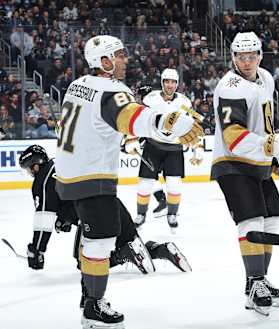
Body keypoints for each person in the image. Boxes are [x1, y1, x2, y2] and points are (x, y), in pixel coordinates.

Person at [54, 35, 203, 329]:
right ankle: (93, 307)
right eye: (119, 55)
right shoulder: (112, 89)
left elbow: (99, 122)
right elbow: (130, 117)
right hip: (91, 176)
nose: (125, 59)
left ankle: (89, 298)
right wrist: (165, 122)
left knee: (95, 236)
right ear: (104, 62)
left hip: (68, 173)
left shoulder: (77, 84)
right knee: (101, 241)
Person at [211, 31, 279, 316]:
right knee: (251, 220)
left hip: (258, 160)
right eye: (241, 56)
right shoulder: (230, 87)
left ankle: (258, 280)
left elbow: (265, 123)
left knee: (272, 219)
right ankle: (256, 283)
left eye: (252, 55)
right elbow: (233, 135)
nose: (247, 61)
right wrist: (270, 146)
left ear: (260, 55)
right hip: (232, 162)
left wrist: (273, 156)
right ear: (233, 57)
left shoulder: (266, 78)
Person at [20, 144, 192, 276]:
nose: (30, 173)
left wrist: (37, 250)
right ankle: (162, 250)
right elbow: (70, 196)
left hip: (91, 214)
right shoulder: (65, 163)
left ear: (35, 165)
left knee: (85, 263)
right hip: (113, 203)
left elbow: (43, 220)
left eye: (29, 168)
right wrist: (65, 218)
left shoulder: (42, 180)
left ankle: (124, 254)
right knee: (131, 242)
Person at [131, 68, 204, 232]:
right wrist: (132, 138)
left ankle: (172, 214)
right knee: (144, 184)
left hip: (174, 149)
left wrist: (197, 147)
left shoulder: (185, 103)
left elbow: (193, 125)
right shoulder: (150, 99)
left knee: (174, 185)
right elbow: (138, 119)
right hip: (153, 146)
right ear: (162, 82)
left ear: (177, 84)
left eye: (173, 82)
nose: (170, 85)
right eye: (167, 81)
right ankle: (141, 215)